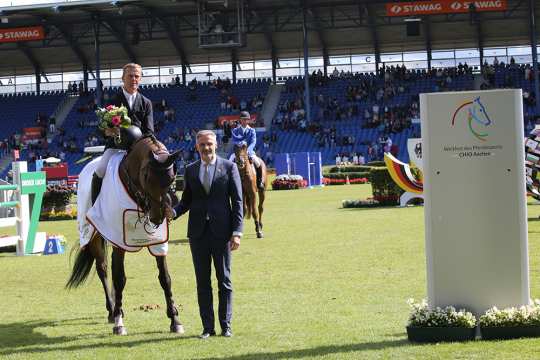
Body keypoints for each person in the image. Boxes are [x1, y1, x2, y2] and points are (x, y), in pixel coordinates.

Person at [170, 130, 243, 339]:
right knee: (202, 283)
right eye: (202, 144)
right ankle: (208, 328)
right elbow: (186, 201)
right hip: (198, 235)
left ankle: (226, 326)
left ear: (216, 144)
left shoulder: (229, 168)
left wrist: (237, 232)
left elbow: (237, 202)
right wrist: (173, 212)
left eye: (209, 144)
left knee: (224, 281)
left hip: (222, 233)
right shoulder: (190, 170)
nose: (206, 148)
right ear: (197, 147)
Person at [91, 63, 154, 204]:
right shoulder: (112, 101)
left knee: (156, 168)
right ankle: (94, 208)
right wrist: (107, 131)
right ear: (123, 78)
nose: (134, 79)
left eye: (137, 76)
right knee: (100, 170)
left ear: (141, 79)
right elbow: (100, 128)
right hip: (115, 146)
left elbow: (149, 131)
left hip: (138, 148)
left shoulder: (146, 103)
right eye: (130, 76)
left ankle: (158, 205)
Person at [229, 111, 264, 189]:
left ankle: (259, 181)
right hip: (238, 152)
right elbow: (234, 141)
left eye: (246, 119)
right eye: (243, 119)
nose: (245, 121)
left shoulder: (252, 130)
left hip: (249, 151)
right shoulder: (235, 130)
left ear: (248, 120)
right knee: (230, 162)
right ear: (240, 120)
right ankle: (229, 183)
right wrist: (240, 144)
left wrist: (248, 150)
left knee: (258, 163)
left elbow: (253, 142)